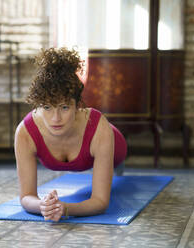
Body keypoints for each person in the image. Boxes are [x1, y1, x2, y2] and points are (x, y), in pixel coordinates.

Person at [14, 47, 127, 222]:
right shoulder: (25, 132)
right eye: (47, 107)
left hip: (115, 144)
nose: (55, 118)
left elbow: (100, 201)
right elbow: (26, 197)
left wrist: (65, 208)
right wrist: (43, 206)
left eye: (65, 107)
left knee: (118, 172)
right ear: (38, 105)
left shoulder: (99, 128)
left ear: (77, 106)